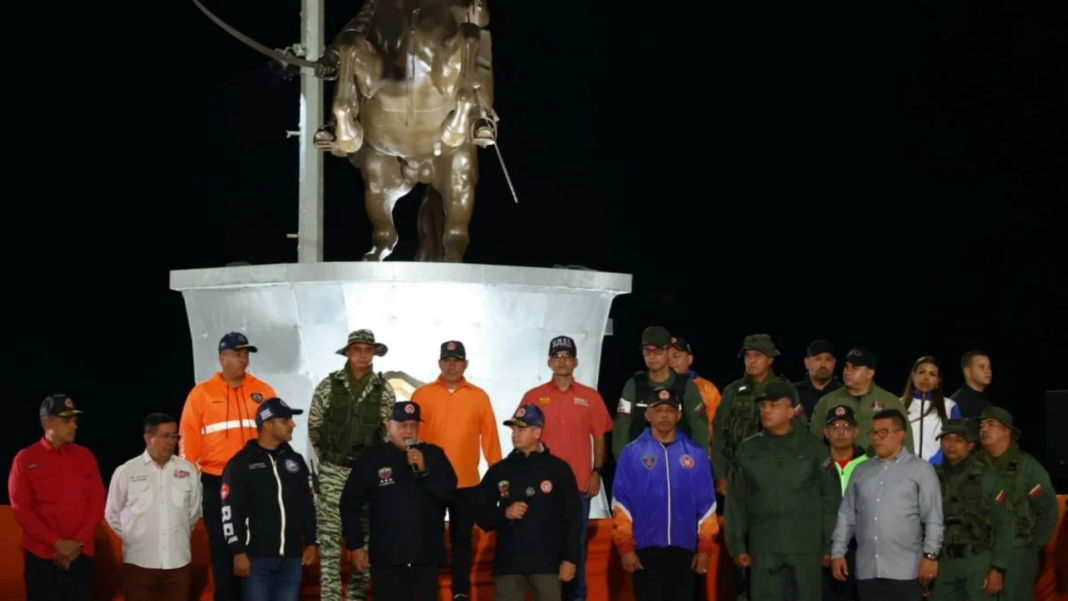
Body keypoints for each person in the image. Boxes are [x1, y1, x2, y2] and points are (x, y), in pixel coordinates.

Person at [179, 331, 277, 601]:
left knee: (260, 544)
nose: (244, 359)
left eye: (246, 354)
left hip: (257, 480)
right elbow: (188, 439)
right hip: (216, 480)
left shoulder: (263, 391)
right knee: (222, 548)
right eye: (237, 353)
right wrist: (189, 481)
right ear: (222, 358)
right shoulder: (201, 394)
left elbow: (277, 431)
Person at [515, 335, 611, 601]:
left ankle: (576, 598)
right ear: (548, 362)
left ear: (576, 361)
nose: (561, 361)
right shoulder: (533, 397)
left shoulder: (590, 397)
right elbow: (521, 437)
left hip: (578, 487)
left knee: (576, 550)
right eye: (556, 356)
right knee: (540, 548)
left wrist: (597, 473)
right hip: (540, 489)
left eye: (567, 356)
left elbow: (600, 435)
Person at [724, 381, 839, 601]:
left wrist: (829, 546)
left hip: (806, 548)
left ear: (791, 411)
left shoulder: (814, 448)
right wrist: (737, 545)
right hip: (763, 547)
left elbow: (831, 499)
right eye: (763, 405)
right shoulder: (748, 449)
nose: (765, 410)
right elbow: (736, 501)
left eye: (773, 405)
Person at [307, 329, 395, 601]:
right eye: (357, 349)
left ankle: (356, 598)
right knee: (331, 543)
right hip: (334, 472)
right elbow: (314, 427)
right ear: (347, 352)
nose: (363, 355)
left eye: (368, 350)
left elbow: (387, 430)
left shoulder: (384, 390)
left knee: (364, 543)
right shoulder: (328, 385)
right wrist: (334, 459)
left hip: (367, 475)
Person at [412, 339, 503, 600]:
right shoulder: (422, 394)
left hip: (467, 483)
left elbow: (491, 439)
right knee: (428, 537)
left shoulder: (479, 396)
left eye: (457, 360)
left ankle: (460, 591)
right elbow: (410, 435)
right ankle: (427, 589)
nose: (452, 365)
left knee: (462, 541)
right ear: (440, 363)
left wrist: (499, 477)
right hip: (429, 482)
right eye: (447, 360)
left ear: (466, 364)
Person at [340, 401, 457, 601]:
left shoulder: (434, 455)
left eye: (413, 425)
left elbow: (450, 494)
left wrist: (424, 471)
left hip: (425, 558)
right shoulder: (372, 460)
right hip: (387, 560)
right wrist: (356, 546)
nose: (408, 431)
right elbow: (349, 504)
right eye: (402, 425)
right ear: (388, 425)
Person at [611, 386, 718, 601]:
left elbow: (707, 506)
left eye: (669, 410)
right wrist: (625, 548)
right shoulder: (631, 454)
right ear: (647, 414)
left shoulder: (695, 454)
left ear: (679, 415)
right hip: (645, 549)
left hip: (685, 551)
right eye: (658, 410)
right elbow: (621, 504)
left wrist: (705, 549)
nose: (664, 415)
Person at [831, 409, 942, 601]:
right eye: (873, 432)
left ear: (901, 435)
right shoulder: (861, 470)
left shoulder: (920, 470)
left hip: (906, 571)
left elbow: (933, 517)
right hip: (867, 571)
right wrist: (837, 552)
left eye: (883, 432)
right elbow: (846, 516)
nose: (877, 438)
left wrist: (930, 556)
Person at [476, 404, 582, 601]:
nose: (515, 434)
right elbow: (480, 513)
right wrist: (504, 514)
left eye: (521, 429)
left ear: (537, 432)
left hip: (547, 563)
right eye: (513, 429)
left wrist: (570, 558)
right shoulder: (499, 471)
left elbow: (573, 518)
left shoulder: (558, 469)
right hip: (509, 563)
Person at [8, 394, 105, 601]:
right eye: (66, 420)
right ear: (46, 422)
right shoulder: (25, 459)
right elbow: (21, 510)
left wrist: (75, 544)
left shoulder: (85, 456)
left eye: (75, 420)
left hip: (80, 556)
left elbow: (97, 503)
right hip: (41, 558)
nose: (74, 426)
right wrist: (57, 543)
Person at [220, 398, 319, 601]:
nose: (293, 424)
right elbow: (229, 511)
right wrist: (237, 551)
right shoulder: (240, 464)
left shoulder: (296, 461)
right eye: (285, 420)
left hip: (292, 558)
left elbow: (307, 505)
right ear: (267, 424)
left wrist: (311, 542)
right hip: (256, 559)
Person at [105, 413, 202, 601]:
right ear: (148, 437)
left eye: (175, 436)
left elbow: (194, 511)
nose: (171, 441)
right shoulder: (126, 471)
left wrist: (178, 534)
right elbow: (112, 513)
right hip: (139, 563)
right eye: (165, 436)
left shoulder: (188, 470)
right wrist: (134, 538)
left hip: (178, 562)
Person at [976, 406, 1058, 601]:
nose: (984, 429)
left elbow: (1047, 511)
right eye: (981, 425)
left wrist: (1032, 547)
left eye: (991, 424)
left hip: (1018, 554)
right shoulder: (974, 467)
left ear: (1007, 431)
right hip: (981, 553)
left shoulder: (1028, 468)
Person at [928, 419, 1014, 601]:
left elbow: (1005, 524)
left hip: (977, 561)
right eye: (946, 439)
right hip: (943, 563)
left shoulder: (987, 477)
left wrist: (998, 568)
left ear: (970, 445)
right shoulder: (930, 476)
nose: (951, 445)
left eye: (958, 440)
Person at [612, 326, 708, 461]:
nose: (652, 356)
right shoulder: (634, 385)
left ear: (669, 352)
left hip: (679, 464)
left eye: (658, 350)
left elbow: (700, 430)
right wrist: (625, 464)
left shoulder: (686, 386)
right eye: (647, 351)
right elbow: (621, 428)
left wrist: (696, 465)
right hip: (641, 463)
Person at [809, 347, 915, 455]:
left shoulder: (890, 402)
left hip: (879, 468)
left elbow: (906, 442)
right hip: (838, 468)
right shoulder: (827, 401)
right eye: (846, 366)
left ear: (870, 373)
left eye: (855, 368)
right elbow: (813, 442)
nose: (847, 372)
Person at [822, 405, 868, 601]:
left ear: (856, 432)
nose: (841, 432)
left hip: (861, 548)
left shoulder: (870, 465)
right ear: (826, 432)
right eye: (834, 426)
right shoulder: (817, 466)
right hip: (825, 547)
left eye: (846, 426)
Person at [901, 356, 960, 464]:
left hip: (937, 470)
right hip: (903, 468)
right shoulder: (898, 404)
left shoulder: (951, 406)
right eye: (921, 372)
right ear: (913, 376)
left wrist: (936, 462)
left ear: (938, 381)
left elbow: (955, 440)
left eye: (932, 374)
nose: (926, 377)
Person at [667, 336, 723, 451]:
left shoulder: (708, 389)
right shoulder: (658, 387)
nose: (671, 361)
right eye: (667, 357)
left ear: (690, 359)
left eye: (676, 356)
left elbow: (718, 426)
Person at [792, 339, 844, 418]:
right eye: (818, 359)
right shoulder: (794, 392)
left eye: (828, 359)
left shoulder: (843, 393)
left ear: (834, 363)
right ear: (807, 363)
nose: (823, 364)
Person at [949, 351, 993, 418]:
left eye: (989, 367)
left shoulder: (985, 402)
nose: (988, 371)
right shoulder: (956, 404)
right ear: (968, 372)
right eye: (981, 367)